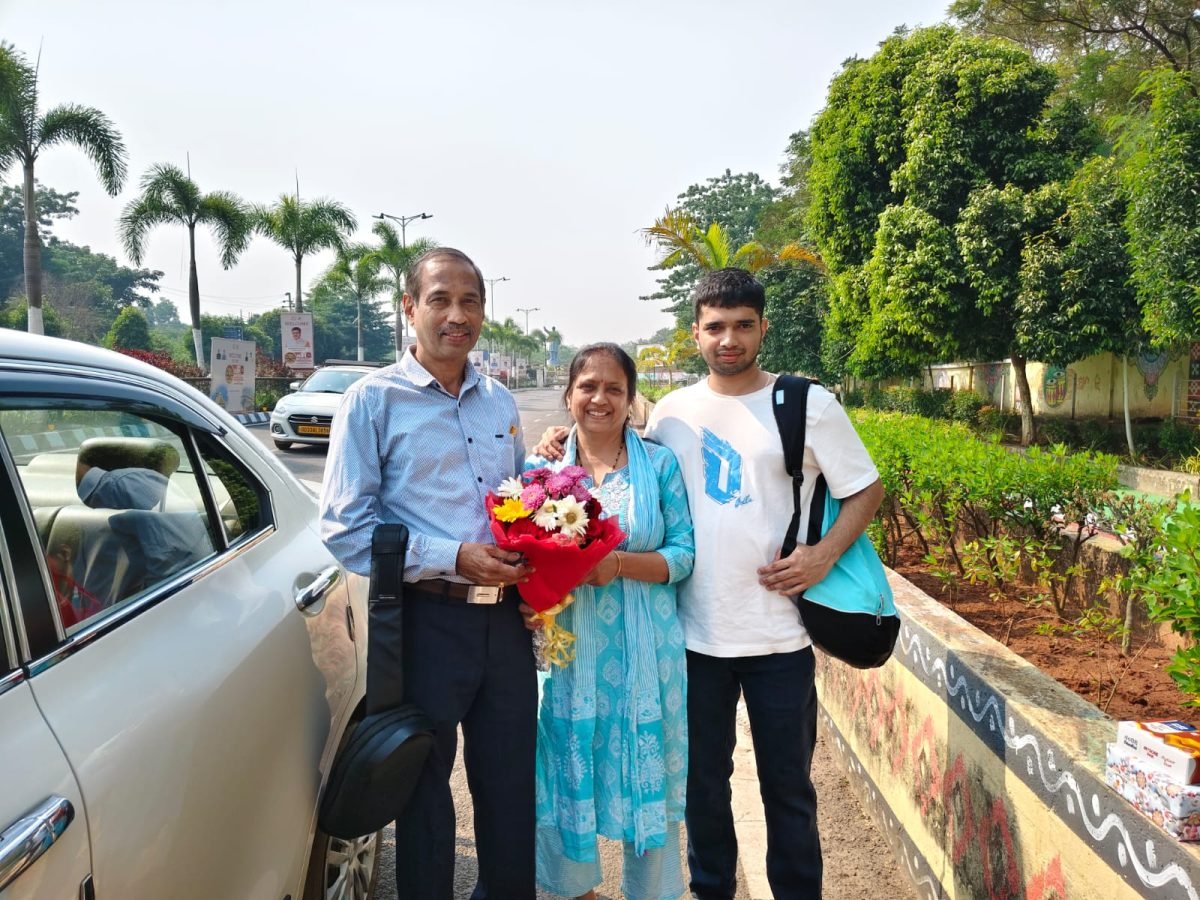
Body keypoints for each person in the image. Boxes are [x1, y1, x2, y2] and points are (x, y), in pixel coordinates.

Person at [536, 268, 883, 899]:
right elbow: (620, 461)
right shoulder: (674, 412)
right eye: (716, 327)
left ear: (762, 329)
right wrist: (561, 439)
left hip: (780, 637)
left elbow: (867, 489)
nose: (729, 339)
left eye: (742, 326)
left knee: (789, 791)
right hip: (690, 640)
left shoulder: (807, 404)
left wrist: (823, 556)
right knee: (701, 789)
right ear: (695, 332)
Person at [320, 247, 536, 900]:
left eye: (470, 301)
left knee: (510, 784)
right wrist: (454, 556)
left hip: (505, 625)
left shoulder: (499, 401)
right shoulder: (372, 401)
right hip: (424, 622)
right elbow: (345, 529)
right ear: (409, 308)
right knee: (423, 793)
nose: (456, 315)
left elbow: (517, 505)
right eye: (440, 300)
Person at [523, 343, 694, 900]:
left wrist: (617, 565)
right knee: (566, 764)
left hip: (648, 654)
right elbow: (522, 558)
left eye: (614, 388)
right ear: (569, 394)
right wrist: (530, 597)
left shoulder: (659, 465)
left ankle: (651, 890)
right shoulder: (541, 472)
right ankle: (577, 890)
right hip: (570, 654)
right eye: (588, 387)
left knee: (647, 771)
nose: (600, 399)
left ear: (630, 398)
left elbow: (684, 555)